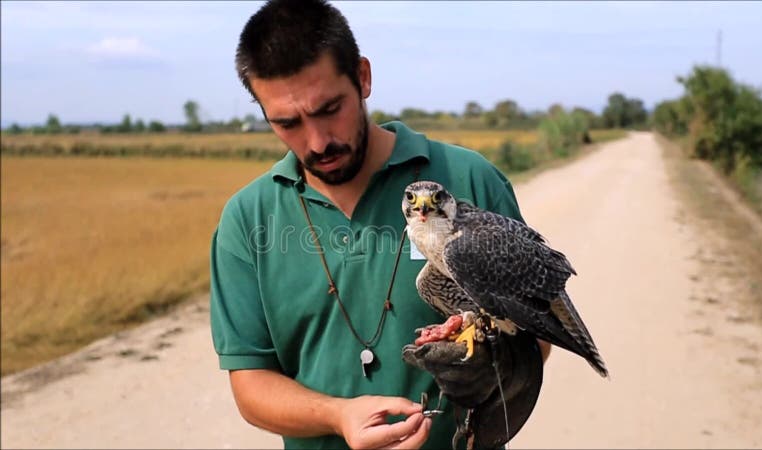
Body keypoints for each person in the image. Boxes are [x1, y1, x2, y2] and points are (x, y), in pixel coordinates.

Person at [210, 1, 551, 448]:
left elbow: (537, 331)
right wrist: (338, 417)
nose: (317, 141)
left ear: (363, 77)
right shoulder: (248, 219)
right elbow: (251, 385)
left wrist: (491, 362)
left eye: (330, 108)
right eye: (287, 122)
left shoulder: (468, 179)